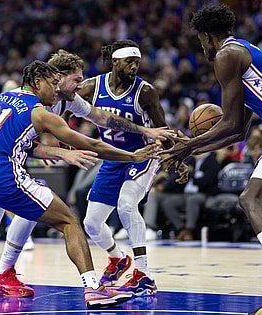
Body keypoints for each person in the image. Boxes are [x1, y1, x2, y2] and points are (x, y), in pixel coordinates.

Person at [0, 50, 173, 297]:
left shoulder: (34, 98)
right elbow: (89, 143)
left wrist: (146, 131)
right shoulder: (39, 106)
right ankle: (80, 285)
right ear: (49, 79)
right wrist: (128, 155)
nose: (79, 86)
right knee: (60, 218)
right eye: (74, 80)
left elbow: (101, 118)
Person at [162, 5, 262, 314]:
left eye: (201, 42)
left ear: (208, 37)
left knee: (251, 199)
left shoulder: (226, 55)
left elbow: (226, 125)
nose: (203, 48)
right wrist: (192, 147)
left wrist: (187, 146)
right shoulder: (245, 54)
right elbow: (237, 129)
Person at [78, 40, 183, 296]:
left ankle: (144, 275)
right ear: (115, 62)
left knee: (126, 203)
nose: (135, 66)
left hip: (145, 154)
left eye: (137, 61)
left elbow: (164, 129)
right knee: (91, 224)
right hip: (115, 157)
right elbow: (65, 107)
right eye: (129, 61)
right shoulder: (93, 86)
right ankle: (118, 259)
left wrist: (178, 161)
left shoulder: (145, 91)